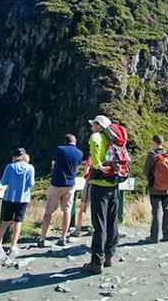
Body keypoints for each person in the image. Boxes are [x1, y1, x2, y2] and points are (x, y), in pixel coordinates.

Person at [83, 115, 119, 274]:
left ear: (98, 125)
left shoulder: (97, 136)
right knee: (112, 221)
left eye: (93, 124)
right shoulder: (114, 139)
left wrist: (97, 165)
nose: (91, 127)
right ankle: (110, 255)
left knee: (99, 223)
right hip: (114, 183)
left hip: (100, 184)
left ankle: (97, 262)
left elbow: (95, 148)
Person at [38, 134, 83, 247]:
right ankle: (63, 237)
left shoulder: (59, 149)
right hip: (70, 184)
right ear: (74, 141)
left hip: (57, 183)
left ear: (65, 141)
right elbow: (76, 166)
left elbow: (53, 164)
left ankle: (42, 237)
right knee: (67, 210)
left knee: (48, 211)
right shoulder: (79, 153)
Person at [0, 148, 35, 255]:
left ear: (15, 157)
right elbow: (31, 184)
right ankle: (13, 246)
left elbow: (4, 182)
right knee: (18, 221)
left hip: (9, 197)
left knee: (5, 221)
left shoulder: (10, 167)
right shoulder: (30, 168)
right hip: (23, 198)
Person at [143, 134, 168, 243]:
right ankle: (166, 235)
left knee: (156, 212)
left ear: (154, 142)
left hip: (155, 188)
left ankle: (154, 237)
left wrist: (152, 179)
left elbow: (146, 171)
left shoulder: (152, 155)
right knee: (167, 211)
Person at [70, 155, 92, 237]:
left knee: (83, 207)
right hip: (102, 185)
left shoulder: (92, 158)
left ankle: (78, 229)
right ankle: (94, 228)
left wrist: (87, 178)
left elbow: (86, 172)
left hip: (90, 183)